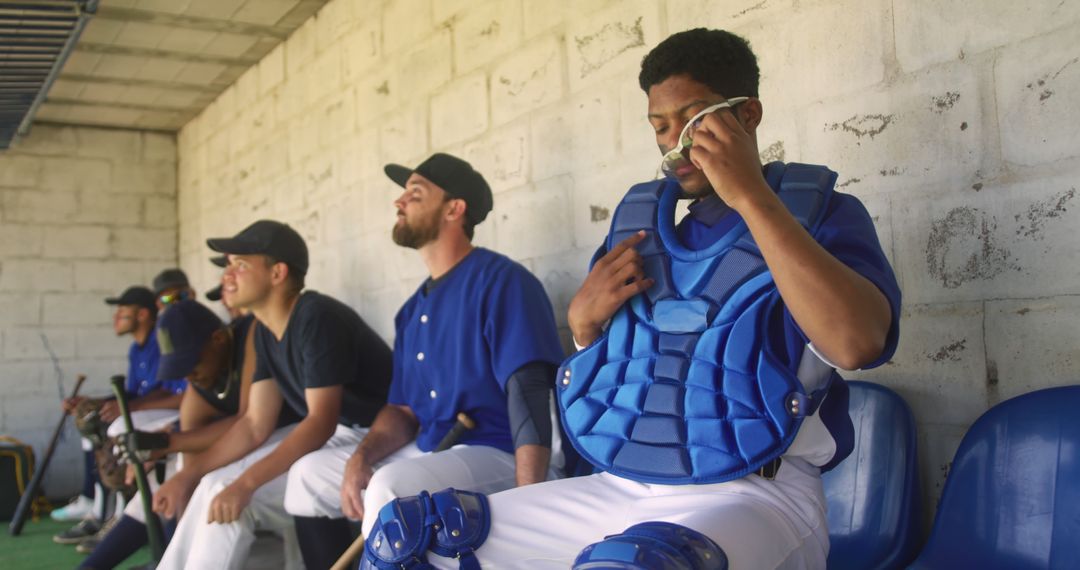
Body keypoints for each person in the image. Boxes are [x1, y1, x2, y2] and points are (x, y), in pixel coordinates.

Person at [361, 29, 901, 570]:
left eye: (694, 121)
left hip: (754, 493)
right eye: (661, 127)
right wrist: (583, 325)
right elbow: (618, 379)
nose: (677, 144)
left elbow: (856, 343)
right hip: (620, 485)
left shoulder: (821, 212)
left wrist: (751, 197)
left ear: (748, 115)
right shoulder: (638, 231)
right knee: (413, 540)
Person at [283, 153, 566, 568]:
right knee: (306, 477)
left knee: (389, 488)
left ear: (454, 209)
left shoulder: (502, 280)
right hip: (434, 447)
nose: (400, 202)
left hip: (501, 452)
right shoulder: (412, 308)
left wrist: (530, 503)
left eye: (415, 193)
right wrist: (361, 457)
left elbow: (530, 391)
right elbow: (402, 410)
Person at [152, 220, 392, 570]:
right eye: (229, 265)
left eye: (241, 265)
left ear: (278, 272)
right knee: (214, 485)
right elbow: (253, 424)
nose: (227, 276)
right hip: (342, 437)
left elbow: (320, 422)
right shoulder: (265, 331)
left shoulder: (315, 316)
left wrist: (246, 484)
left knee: (236, 494)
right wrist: (186, 475)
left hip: (381, 436)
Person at [56, 286, 186, 547]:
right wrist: (94, 402)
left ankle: (118, 515)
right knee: (94, 417)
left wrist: (128, 408)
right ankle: (99, 509)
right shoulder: (136, 349)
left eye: (123, 312)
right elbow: (131, 393)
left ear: (142, 315)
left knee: (117, 426)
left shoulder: (162, 340)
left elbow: (172, 392)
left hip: (175, 413)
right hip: (152, 410)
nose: (116, 317)